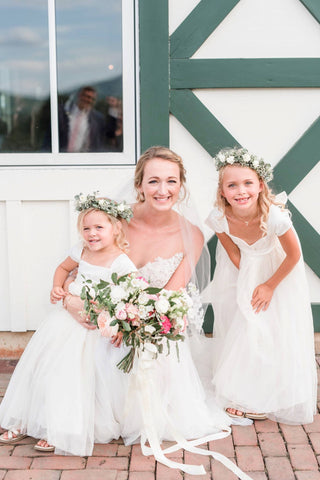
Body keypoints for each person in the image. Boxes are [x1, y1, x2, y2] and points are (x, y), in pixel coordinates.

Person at [64, 147, 252, 478]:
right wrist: (76, 301)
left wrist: (135, 323)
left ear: (181, 186)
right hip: (103, 317)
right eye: (153, 181)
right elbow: (83, 267)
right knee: (77, 348)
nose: (162, 190)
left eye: (171, 181)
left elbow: (172, 295)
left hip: (150, 324)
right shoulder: (115, 220)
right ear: (139, 185)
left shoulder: (191, 234)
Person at [0, 195, 136, 455]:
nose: (91, 234)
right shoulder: (81, 251)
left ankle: (58, 428)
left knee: (75, 376)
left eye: (99, 228)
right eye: (86, 228)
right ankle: (25, 419)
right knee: (43, 368)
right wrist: (56, 287)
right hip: (64, 324)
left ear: (115, 228)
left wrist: (116, 320)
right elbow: (63, 269)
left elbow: (129, 296)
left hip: (95, 330)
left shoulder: (121, 261)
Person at [206, 147, 317, 424]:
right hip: (243, 272)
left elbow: (294, 256)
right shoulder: (220, 218)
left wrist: (268, 285)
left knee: (270, 329)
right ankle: (247, 388)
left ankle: (268, 390)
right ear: (222, 191)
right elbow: (231, 250)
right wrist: (246, 277)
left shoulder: (274, 217)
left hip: (277, 275)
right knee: (244, 326)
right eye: (232, 185)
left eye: (247, 183)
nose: (240, 191)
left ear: (259, 186)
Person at [58, 86, 106, 152]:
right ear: (80, 96)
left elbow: (99, 143)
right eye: (88, 97)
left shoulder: (98, 119)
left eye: (93, 99)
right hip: (62, 157)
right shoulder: (61, 112)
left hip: (83, 159)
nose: (89, 100)